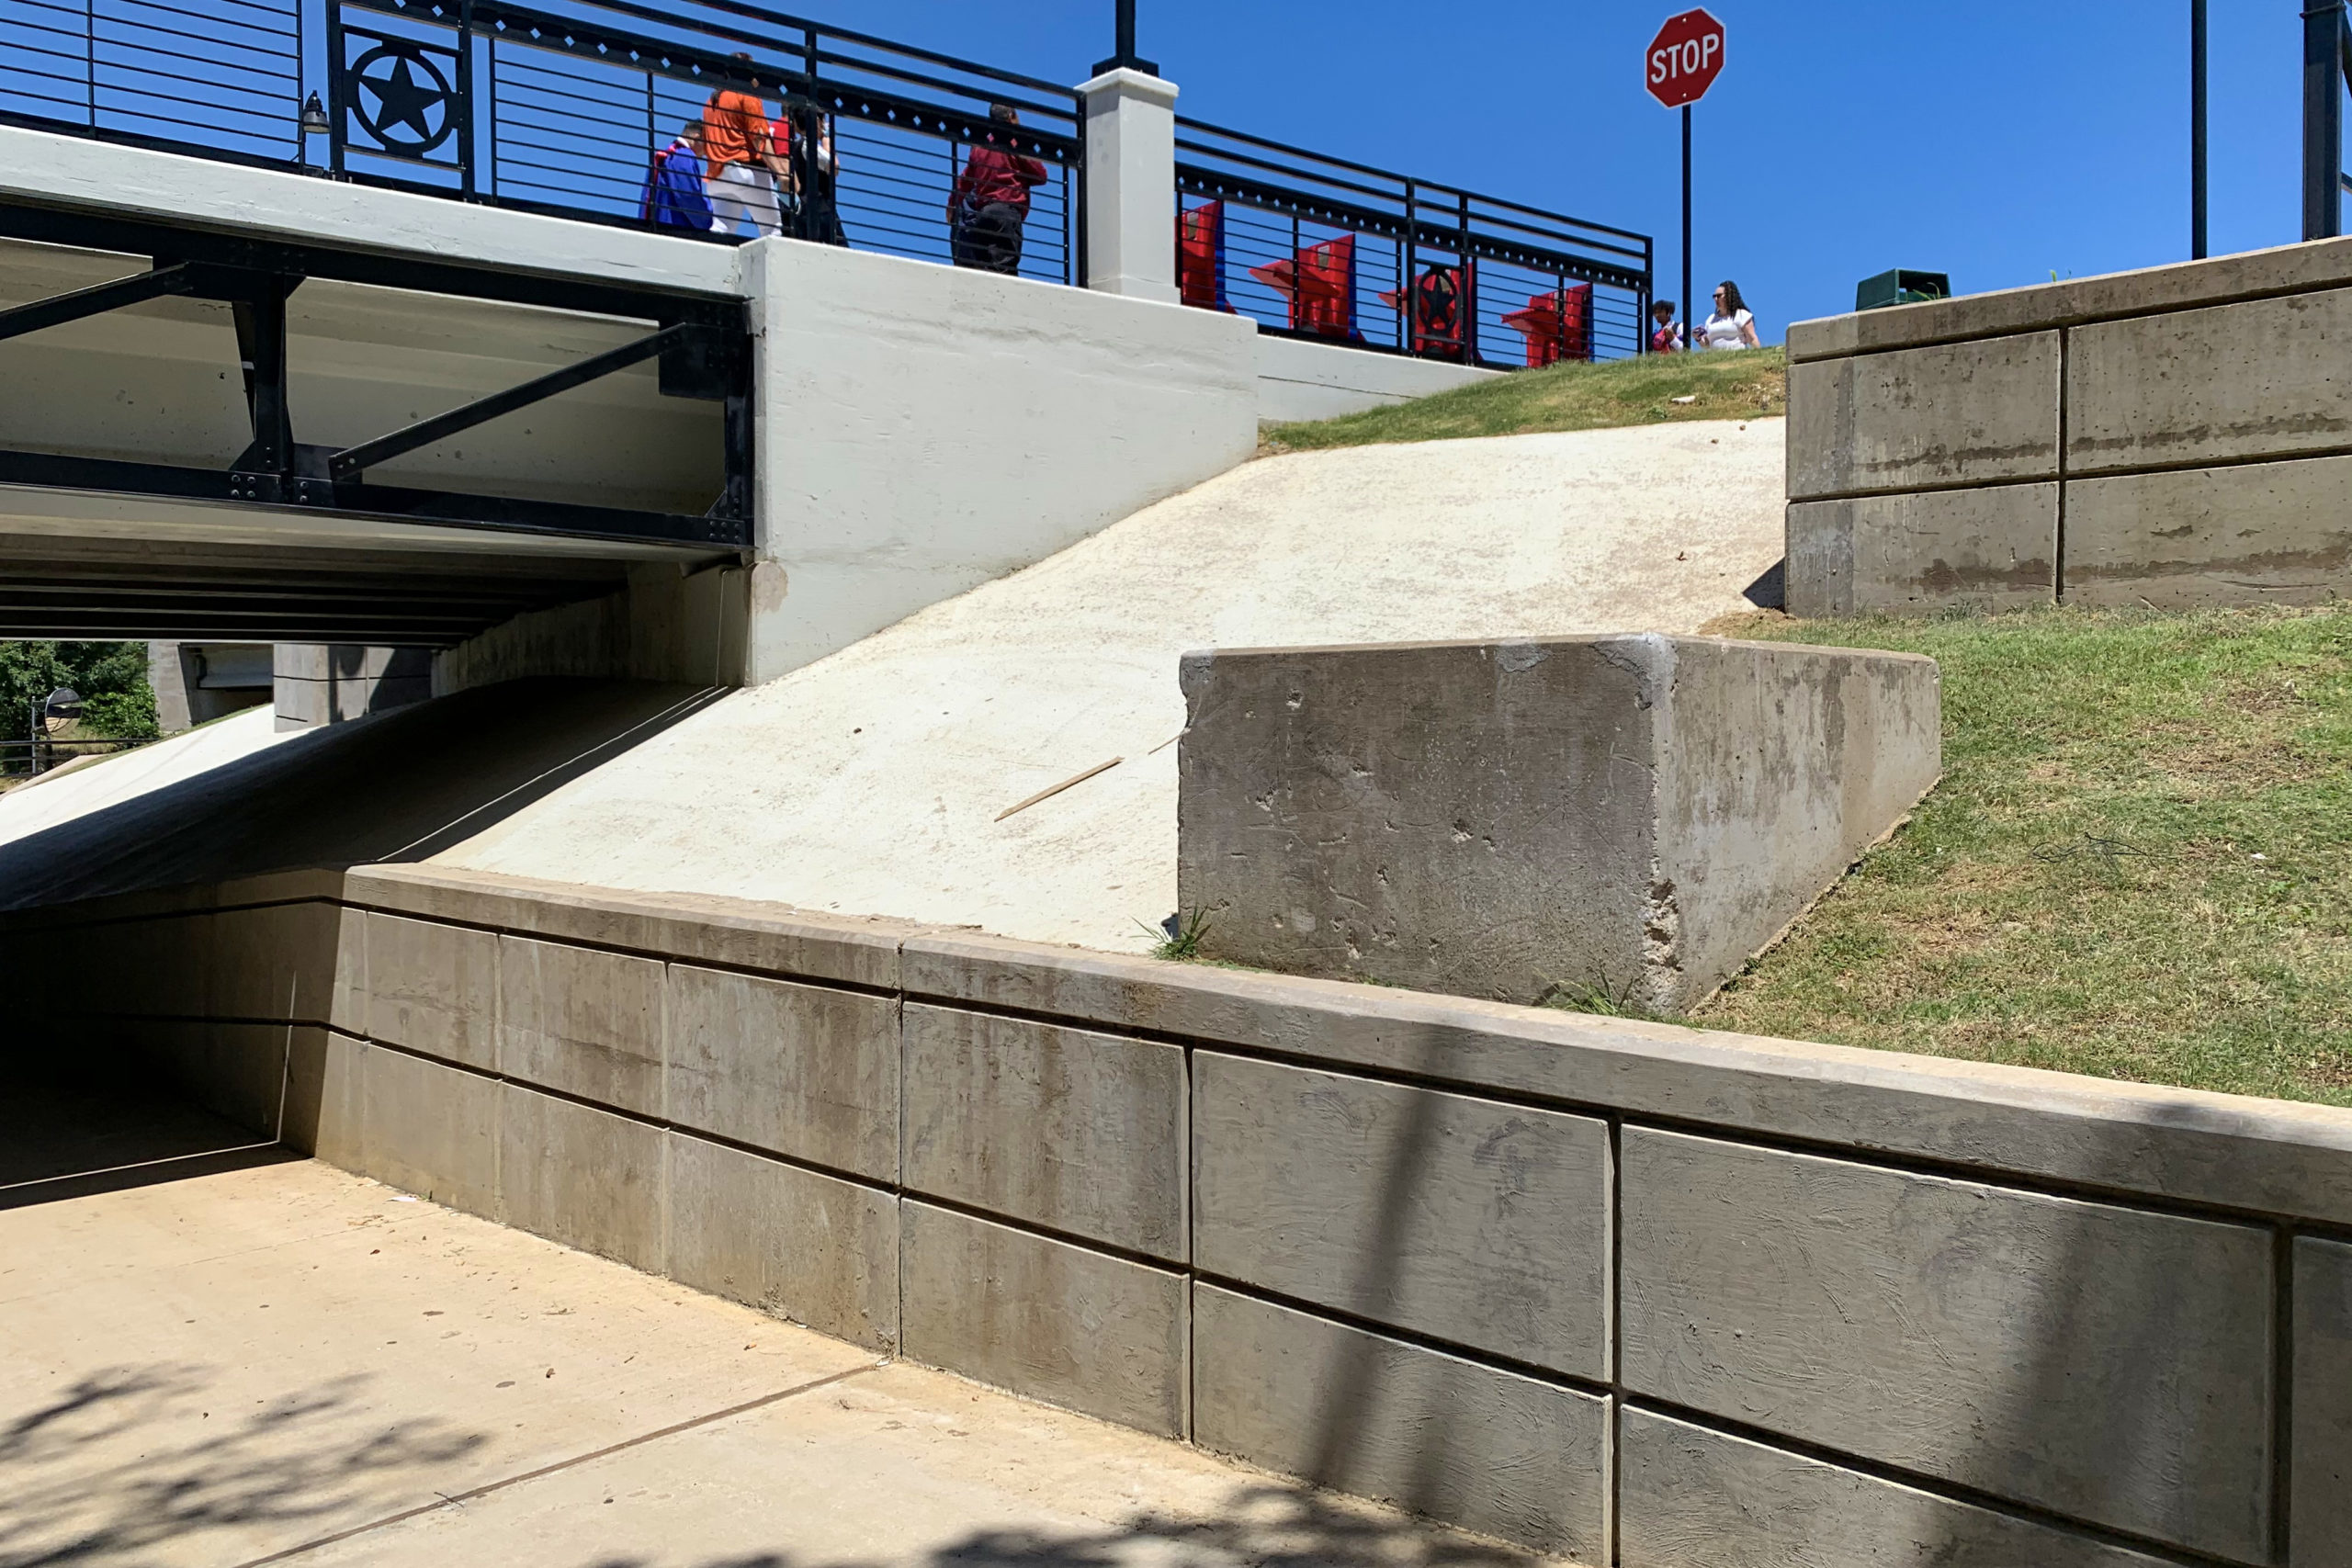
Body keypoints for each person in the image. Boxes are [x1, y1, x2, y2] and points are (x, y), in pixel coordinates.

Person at [949, 103, 1047, 276]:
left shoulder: (979, 147)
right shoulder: (1016, 143)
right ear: (1011, 117)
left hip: (983, 215)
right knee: (1005, 272)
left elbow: (965, 181)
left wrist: (951, 205)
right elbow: (1041, 175)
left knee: (984, 271)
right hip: (1007, 214)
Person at [702, 57, 793, 238]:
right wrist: (782, 173)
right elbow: (759, 138)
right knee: (772, 229)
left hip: (717, 175)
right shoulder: (747, 94)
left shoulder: (710, 102)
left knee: (721, 229)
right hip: (747, 170)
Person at [639, 121, 717, 232]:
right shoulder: (683, 156)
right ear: (698, 138)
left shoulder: (665, 154)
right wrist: (712, 218)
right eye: (708, 145)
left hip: (656, 225)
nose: (706, 153)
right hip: (674, 228)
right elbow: (689, 197)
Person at [1698, 279, 1761, 350]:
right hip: (1716, 359)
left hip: (1737, 358)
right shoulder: (1710, 319)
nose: (1716, 299)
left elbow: (1752, 339)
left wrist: (1760, 356)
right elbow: (1707, 345)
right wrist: (1698, 338)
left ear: (1729, 296)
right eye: (1714, 296)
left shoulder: (1742, 315)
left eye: (1719, 296)